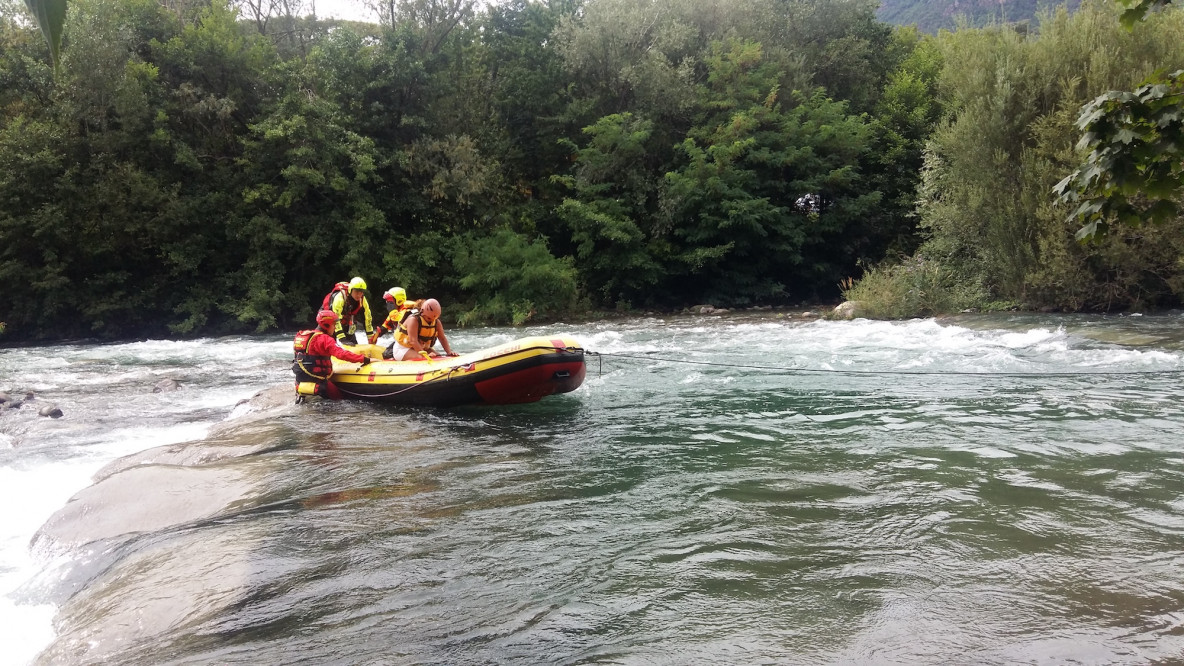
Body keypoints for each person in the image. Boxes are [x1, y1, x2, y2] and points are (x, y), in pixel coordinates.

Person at [293, 309, 371, 400]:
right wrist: (365, 359)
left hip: (300, 380)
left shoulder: (301, 336)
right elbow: (342, 354)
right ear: (326, 325)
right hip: (318, 380)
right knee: (339, 399)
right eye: (334, 324)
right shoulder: (325, 339)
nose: (335, 328)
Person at [386, 298, 459, 361]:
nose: (431, 321)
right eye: (429, 318)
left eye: (434, 319)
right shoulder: (413, 320)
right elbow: (413, 341)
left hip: (422, 349)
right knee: (421, 358)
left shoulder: (436, 322)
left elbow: (442, 338)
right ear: (422, 312)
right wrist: (425, 355)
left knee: (439, 357)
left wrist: (449, 352)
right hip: (402, 349)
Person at [321, 276, 374, 344]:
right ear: (350, 290)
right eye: (356, 291)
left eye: (361, 292)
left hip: (346, 320)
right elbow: (335, 319)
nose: (358, 294)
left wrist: (370, 337)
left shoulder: (362, 300)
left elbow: (367, 318)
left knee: (353, 343)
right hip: (328, 319)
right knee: (329, 342)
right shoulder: (340, 298)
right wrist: (342, 339)